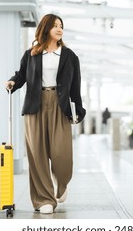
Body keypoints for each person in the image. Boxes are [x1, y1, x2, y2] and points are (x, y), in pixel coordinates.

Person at [5, 13, 86, 214]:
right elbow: (22, 75)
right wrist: (13, 82)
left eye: (61, 26)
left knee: (62, 154)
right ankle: (43, 200)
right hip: (35, 105)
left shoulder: (69, 56)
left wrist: (78, 109)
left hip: (59, 105)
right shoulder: (31, 54)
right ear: (45, 28)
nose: (59, 29)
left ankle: (62, 182)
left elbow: (75, 87)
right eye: (55, 26)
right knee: (37, 155)